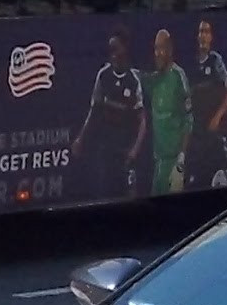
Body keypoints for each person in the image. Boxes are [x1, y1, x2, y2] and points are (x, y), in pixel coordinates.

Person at [71, 27, 146, 201]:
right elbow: (93, 110)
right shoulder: (103, 76)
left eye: (116, 48)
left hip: (126, 148)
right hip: (106, 147)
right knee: (106, 192)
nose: (112, 53)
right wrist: (80, 139)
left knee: (128, 195)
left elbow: (142, 121)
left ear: (125, 49)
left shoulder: (133, 80)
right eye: (110, 49)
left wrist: (135, 149)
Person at [183, 19, 227, 188]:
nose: (202, 36)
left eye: (206, 31)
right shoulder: (190, 63)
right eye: (200, 32)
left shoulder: (215, 61)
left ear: (211, 37)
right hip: (195, 131)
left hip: (213, 130)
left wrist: (217, 117)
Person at [145, 29, 192, 195]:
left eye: (161, 48)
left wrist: (181, 161)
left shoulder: (178, 77)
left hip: (174, 163)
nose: (157, 53)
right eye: (155, 49)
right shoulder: (154, 80)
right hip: (159, 161)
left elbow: (188, 120)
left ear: (170, 50)